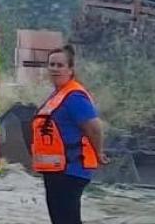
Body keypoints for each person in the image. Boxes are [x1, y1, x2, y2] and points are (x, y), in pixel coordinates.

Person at [31, 45, 103, 224]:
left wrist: (99, 153)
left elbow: (94, 128)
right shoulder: (57, 95)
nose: (55, 69)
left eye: (60, 65)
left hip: (71, 170)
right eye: (52, 65)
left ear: (70, 69)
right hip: (55, 171)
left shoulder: (74, 96)